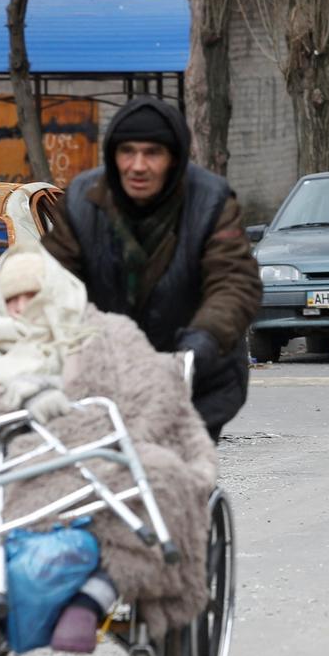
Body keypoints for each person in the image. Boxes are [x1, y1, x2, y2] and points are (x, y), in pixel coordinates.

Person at [0, 243, 218, 656]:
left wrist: (76, 417)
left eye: (32, 296)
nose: (20, 308)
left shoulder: (105, 334)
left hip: (93, 456)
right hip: (2, 462)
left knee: (156, 478)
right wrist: (18, 402)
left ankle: (92, 598)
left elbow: (149, 393)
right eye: (11, 299)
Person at [42, 97, 261, 441]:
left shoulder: (210, 200)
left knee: (174, 477)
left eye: (152, 153)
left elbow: (233, 282)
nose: (138, 165)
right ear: (113, 155)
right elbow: (53, 280)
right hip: (103, 375)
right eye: (127, 151)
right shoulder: (83, 201)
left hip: (192, 374)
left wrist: (200, 344)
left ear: (174, 158)